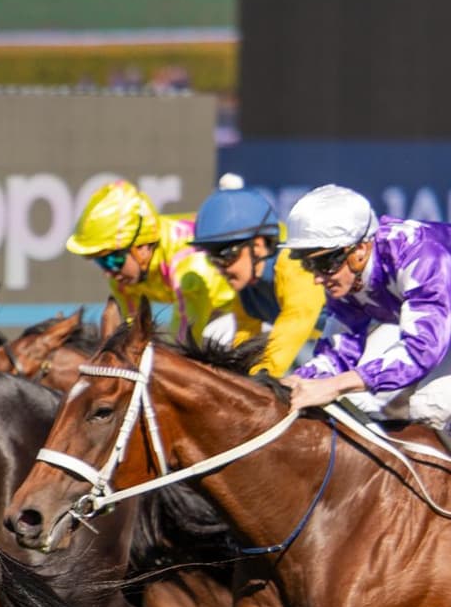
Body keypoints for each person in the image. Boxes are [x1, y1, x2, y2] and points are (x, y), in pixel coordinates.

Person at [280, 184, 451, 428]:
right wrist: (294, 382)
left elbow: (421, 352)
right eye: (310, 266)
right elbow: (338, 354)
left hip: (436, 334)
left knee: (430, 405)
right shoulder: (347, 277)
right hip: (442, 326)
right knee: (356, 399)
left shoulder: (421, 257)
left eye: (325, 264)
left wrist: (334, 385)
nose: (318, 278)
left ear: (360, 249)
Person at [65, 179, 236, 343]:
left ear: (143, 248)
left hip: (237, 312)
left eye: (112, 259)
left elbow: (183, 345)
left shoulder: (189, 269)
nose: (108, 272)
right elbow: (134, 338)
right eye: (100, 262)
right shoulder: (122, 278)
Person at [187, 178, 326, 377]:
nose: (220, 269)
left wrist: (261, 373)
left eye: (226, 256)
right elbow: (245, 336)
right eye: (213, 259)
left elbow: (294, 324)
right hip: (329, 343)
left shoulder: (293, 265)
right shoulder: (247, 286)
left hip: (372, 333)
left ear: (259, 246)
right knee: (216, 336)